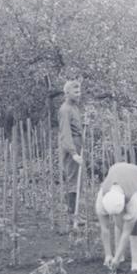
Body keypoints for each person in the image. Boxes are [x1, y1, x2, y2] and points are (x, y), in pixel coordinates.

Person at [95, 162, 137, 272]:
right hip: (118, 171)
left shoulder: (133, 199)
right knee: (120, 222)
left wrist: (116, 259)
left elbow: (127, 232)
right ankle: (119, 256)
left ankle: (135, 264)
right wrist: (108, 255)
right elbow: (105, 229)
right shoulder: (101, 200)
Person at [58, 80, 84, 230]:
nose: (78, 94)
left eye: (79, 91)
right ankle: (72, 216)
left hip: (77, 144)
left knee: (77, 179)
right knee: (73, 180)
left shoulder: (74, 107)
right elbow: (65, 134)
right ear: (67, 93)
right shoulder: (65, 109)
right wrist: (73, 153)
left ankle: (75, 214)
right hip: (70, 147)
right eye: (75, 92)